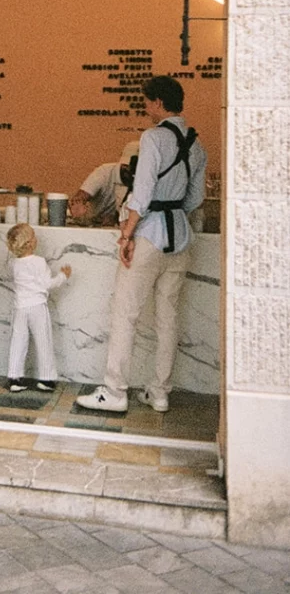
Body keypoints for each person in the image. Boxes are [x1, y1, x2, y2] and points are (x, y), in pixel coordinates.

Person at [76, 76, 206, 414]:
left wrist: (126, 234)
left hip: (148, 235)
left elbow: (143, 191)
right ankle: (159, 392)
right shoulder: (197, 145)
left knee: (125, 312)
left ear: (159, 104)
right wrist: (173, 212)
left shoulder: (153, 138)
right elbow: (195, 198)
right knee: (168, 316)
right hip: (180, 237)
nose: (145, 107)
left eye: (147, 101)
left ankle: (114, 391)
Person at [6, 222, 72, 392]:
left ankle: (14, 377)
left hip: (19, 307)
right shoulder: (39, 262)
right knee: (43, 341)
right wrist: (63, 276)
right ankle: (46, 379)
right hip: (37, 307)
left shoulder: (13, 264)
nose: (37, 239)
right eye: (34, 236)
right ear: (29, 243)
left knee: (18, 341)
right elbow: (47, 284)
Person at [69, 141, 141, 226]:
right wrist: (78, 203)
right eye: (128, 168)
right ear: (122, 165)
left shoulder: (144, 180)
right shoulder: (104, 172)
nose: (131, 172)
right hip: (91, 224)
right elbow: (83, 194)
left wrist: (114, 218)